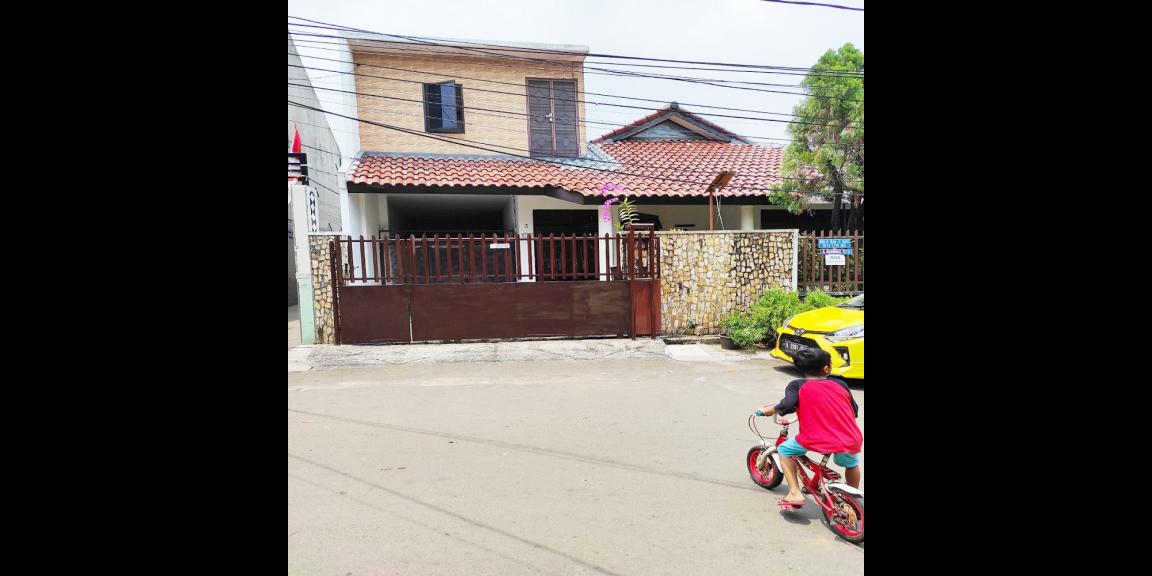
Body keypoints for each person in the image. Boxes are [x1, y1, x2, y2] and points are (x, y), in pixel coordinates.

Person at [759, 348, 862, 508]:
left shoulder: (797, 386)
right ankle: (852, 496)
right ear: (827, 368)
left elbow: (786, 406)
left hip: (816, 438)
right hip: (850, 437)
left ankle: (794, 493)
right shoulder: (840, 383)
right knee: (851, 464)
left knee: (784, 450)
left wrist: (771, 409)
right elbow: (854, 410)